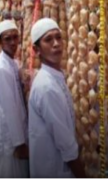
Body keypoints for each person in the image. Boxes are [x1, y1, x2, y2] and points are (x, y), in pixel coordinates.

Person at [28, 18, 86, 178]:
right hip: (53, 169)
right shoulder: (47, 87)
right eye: (48, 40)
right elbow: (65, 144)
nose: (56, 44)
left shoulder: (55, 78)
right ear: (36, 49)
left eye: (58, 37)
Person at [0, 20, 29, 178]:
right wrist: (19, 144)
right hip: (10, 139)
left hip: (13, 134)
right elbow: (10, 109)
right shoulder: (1, 69)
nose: (13, 42)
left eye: (15, 37)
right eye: (7, 39)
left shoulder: (11, 62)